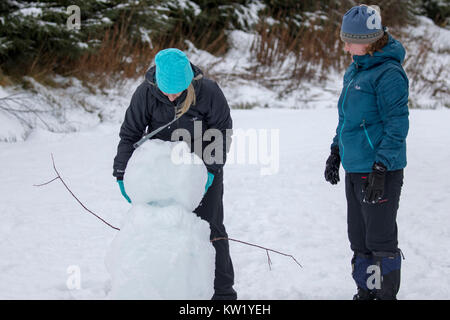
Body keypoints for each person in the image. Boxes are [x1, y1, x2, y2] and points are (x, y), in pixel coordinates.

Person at [113, 48, 237, 300]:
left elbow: (222, 132)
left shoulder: (209, 92)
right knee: (164, 228)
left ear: (189, 83)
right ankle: (166, 289)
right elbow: (130, 134)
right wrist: (121, 173)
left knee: (210, 227)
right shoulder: (145, 94)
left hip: (202, 170)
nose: (171, 98)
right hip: (163, 175)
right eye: (166, 91)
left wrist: (210, 172)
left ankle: (223, 294)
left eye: (177, 91)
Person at [324, 5, 409, 300]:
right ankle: (365, 293)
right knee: (358, 239)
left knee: (380, 240)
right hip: (355, 168)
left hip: (380, 171)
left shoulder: (389, 74)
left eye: (351, 40)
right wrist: (336, 151)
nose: (345, 45)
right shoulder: (355, 69)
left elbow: (397, 125)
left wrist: (381, 167)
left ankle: (385, 296)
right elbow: (346, 118)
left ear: (370, 40)